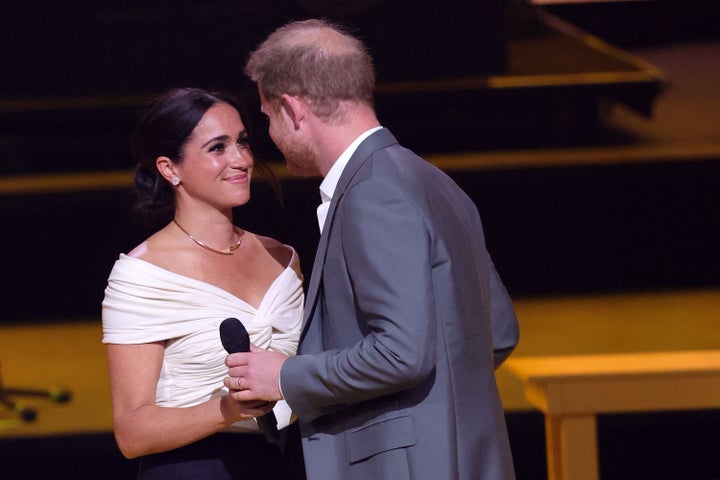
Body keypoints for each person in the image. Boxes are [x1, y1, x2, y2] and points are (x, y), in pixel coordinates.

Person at [224, 19, 520, 480]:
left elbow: (402, 352)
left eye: (267, 118)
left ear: (293, 109)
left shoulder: (371, 194)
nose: (272, 136)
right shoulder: (434, 181)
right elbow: (497, 331)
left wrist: (284, 376)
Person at [101, 87, 306, 479]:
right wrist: (226, 410)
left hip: (294, 462)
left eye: (242, 142)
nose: (241, 159)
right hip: (196, 467)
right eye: (218, 148)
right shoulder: (142, 275)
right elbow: (131, 432)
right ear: (169, 168)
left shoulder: (283, 258)